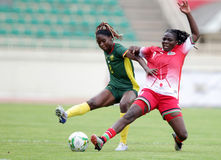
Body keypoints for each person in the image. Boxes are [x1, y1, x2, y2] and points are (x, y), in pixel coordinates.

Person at [90, 0, 200, 151]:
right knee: (129, 115)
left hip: (169, 98)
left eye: (169, 39)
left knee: (184, 134)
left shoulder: (181, 51)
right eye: (164, 38)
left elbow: (195, 34)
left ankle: (177, 139)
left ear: (176, 42)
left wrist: (188, 13)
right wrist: (135, 49)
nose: (165, 41)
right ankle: (102, 140)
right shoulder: (152, 50)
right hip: (150, 94)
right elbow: (134, 51)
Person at [55, 22, 155, 151]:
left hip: (129, 88)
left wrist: (147, 68)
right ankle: (65, 115)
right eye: (99, 43)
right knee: (92, 102)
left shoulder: (118, 48)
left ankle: (123, 143)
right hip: (113, 87)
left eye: (104, 41)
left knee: (124, 104)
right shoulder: (106, 50)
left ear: (111, 39)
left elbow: (136, 56)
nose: (102, 45)